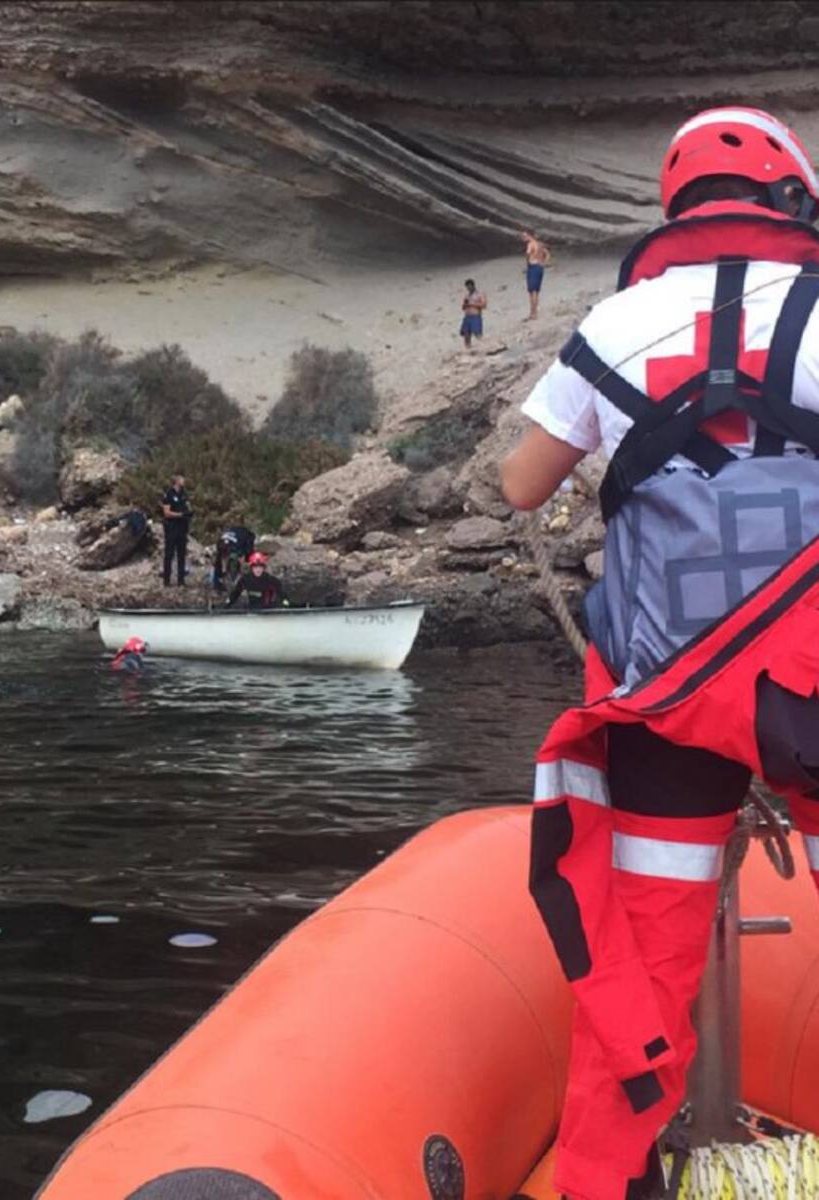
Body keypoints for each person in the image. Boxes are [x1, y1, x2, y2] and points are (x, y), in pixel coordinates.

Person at [500, 107, 819, 1200]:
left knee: (639, 966)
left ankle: (608, 1181)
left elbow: (520, 486)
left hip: (666, 699)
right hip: (815, 697)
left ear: (673, 207)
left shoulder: (616, 321)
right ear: (794, 195)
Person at [160, 471, 191, 587]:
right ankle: (167, 580)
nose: (184, 480)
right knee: (169, 553)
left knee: (182, 554)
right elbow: (166, 512)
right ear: (177, 480)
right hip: (172, 527)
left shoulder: (184, 493)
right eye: (182, 478)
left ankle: (181, 580)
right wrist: (180, 515)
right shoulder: (169, 494)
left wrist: (188, 513)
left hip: (182, 527)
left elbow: (187, 506)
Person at [212, 525, 256, 593]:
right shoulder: (247, 537)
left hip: (226, 542)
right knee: (233, 561)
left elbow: (245, 555)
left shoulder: (237, 535)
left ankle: (219, 582)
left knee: (224, 560)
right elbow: (248, 552)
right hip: (232, 543)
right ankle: (223, 582)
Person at [522, 230, 551, 320]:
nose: (523, 238)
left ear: (530, 236)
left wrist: (528, 262)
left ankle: (533, 313)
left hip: (533, 267)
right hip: (540, 267)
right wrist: (543, 262)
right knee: (536, 291)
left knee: (532, 291)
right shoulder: (540, 244)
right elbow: (547, 254)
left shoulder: (531, 244)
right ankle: (535, 312)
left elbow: (528, 253)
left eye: (524, 236)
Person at [459, 278, 487, 349]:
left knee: (477, 333)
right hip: (467, 316)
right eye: (467, 287)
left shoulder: (480, 294)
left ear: (473, 285)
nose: (468, 288)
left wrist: (472, 304)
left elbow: (483, 305)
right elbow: (463, 307)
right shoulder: (467, 296)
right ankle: (468, 348)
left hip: (475, 316)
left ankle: (484, 346)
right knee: (466, 334)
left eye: (469, 286)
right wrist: (465, 304)